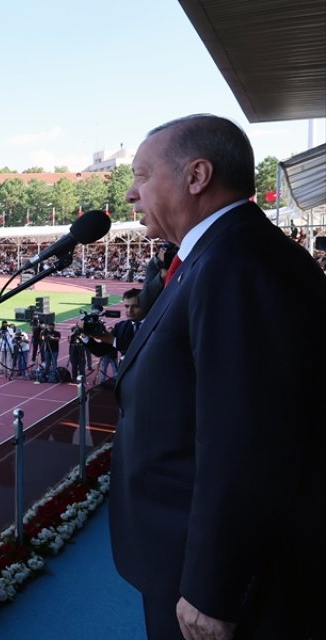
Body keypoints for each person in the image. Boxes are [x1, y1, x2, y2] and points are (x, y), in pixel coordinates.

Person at [112, 114, 325, 640]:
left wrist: (213, 588)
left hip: (205, 580)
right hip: (178, 559)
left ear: (197, 175)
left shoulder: (234, 263)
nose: (132, 196)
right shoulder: (215, 255)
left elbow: (244, 441)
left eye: (142, 175)